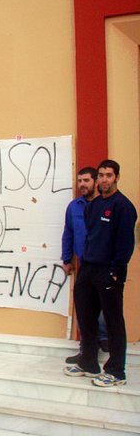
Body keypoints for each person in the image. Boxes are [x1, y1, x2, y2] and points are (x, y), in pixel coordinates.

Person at [63, 160, 137, 387]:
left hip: (109, 271)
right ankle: (88, 362)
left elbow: (125, 243)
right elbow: (91, 237)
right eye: (102, 175)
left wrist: (115, 270)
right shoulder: (93, 206)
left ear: (116, 178)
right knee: (86, 315)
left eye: (109, 175)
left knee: (113, 320)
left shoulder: (123, 206)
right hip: (89, 268)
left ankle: (116, 371)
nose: (105, 179)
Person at [62, 167, 108, 364]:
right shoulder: (74, 206)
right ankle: (86, 349)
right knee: (83, 306)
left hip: (103, 265)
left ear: (95, 182)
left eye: (86, 180)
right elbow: (69, 233)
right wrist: (66, 259)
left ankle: (104, 339)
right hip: (83, 264)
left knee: (104, 305)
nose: (82, 184)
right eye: (79, 181)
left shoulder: (104, 205)